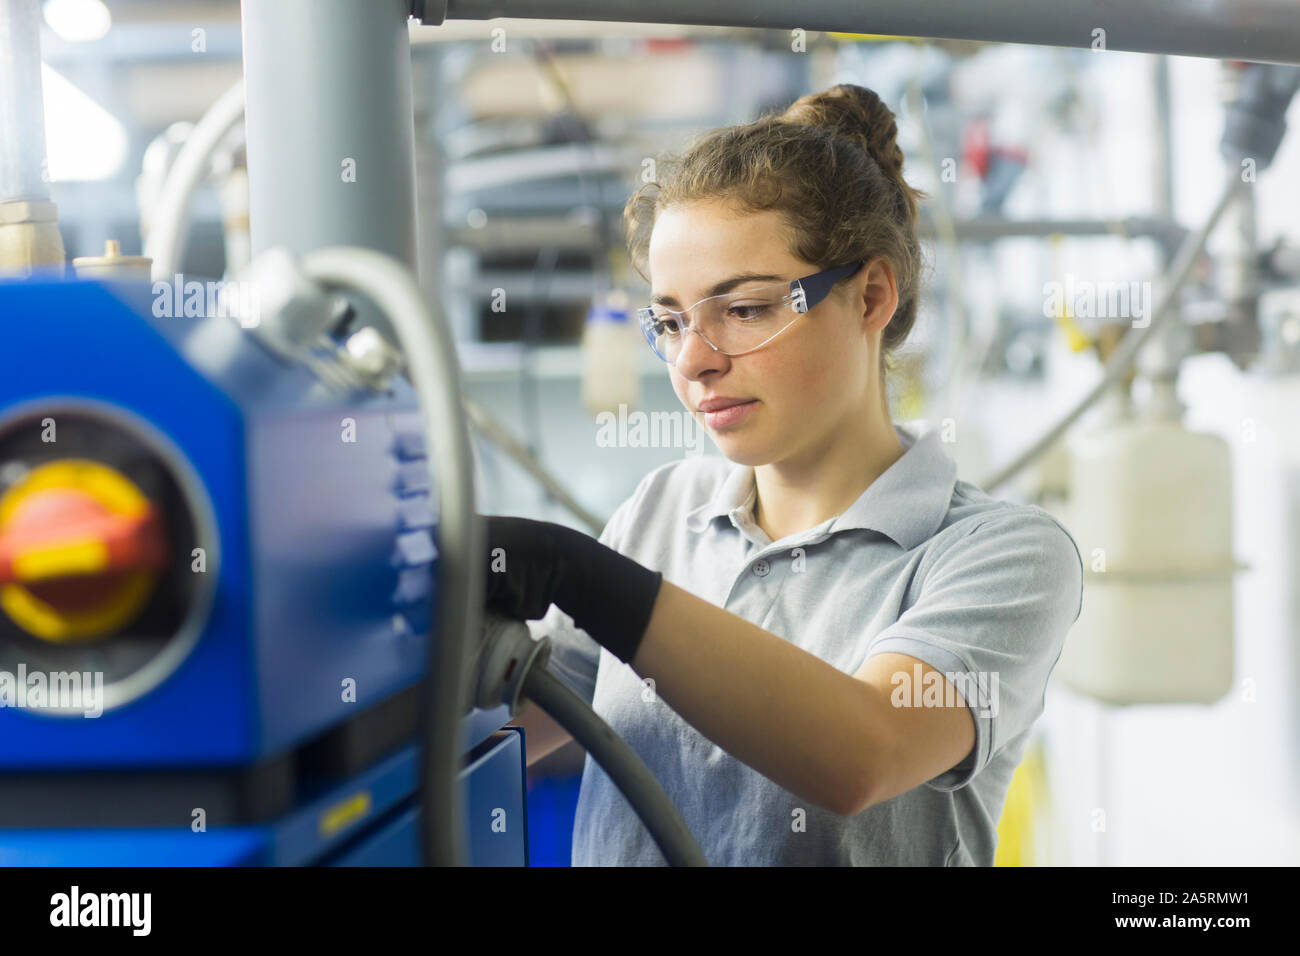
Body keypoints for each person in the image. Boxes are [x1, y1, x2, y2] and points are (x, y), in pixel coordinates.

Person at [488, 83, 1083, 866]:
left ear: (870, 296)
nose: (694, 360)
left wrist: (584, 576)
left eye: (743, 310)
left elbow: (861, 751)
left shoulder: (1002, 557)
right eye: (669, 321)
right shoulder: (666, 510)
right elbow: (510, 727)